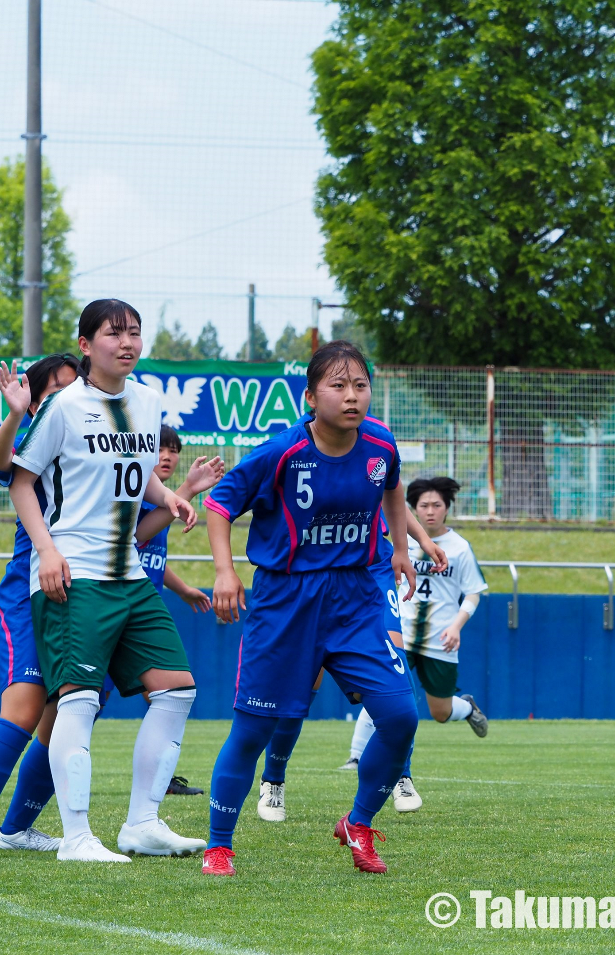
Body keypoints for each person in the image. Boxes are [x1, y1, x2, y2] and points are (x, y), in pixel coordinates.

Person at [201, 340, 418, 876]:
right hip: (285, 601)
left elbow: (393, 490)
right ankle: (219, 845)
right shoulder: (282, 452)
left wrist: (400, 548)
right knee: (253, 731)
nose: (352, 396)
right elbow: (219, 502)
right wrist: (226, 571)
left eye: (360, 385)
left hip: (356, 600)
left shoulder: (381, 443)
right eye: (338, 386)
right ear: (310, 396)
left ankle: (358, 823)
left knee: (400, 717)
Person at [8, 299, 205, 863]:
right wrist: (45, 550)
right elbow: (21, 482)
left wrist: (169, 496)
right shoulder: (63, 407)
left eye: (135, 333)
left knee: (177, 688)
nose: (127, 342)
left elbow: (136, 474)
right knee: (79, 699)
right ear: (87, 343)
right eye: (113, 333)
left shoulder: (148, 401)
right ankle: (75, 839)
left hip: (129, 575)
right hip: (75, 574)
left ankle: (142, 824)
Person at [0, 353, 80, 860]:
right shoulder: (35, 440)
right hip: (31, 595)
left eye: (75, 390)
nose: (67, 401)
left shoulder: (99, 447)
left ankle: (17, 828)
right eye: (55, 392)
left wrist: (175, 496)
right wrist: (15, 414)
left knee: (66, 716)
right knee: (25, 707)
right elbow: (0, 463)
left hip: (88, 595)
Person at [256, 501, 447, 823]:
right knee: (304, 682)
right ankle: (273, 778)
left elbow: (391, 496)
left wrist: (422, 541)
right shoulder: (301, 458)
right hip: (320, 565)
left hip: (375, 567)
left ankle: (402, 774)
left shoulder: (373, 454)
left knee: (393, 663)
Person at [343, 476, 488, 814]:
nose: (431, 511)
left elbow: (474, 592)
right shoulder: (397, 539)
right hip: (401, 633)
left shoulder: (459, 548)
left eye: (437, 505)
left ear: (448, 508)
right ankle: (361, 757)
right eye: (423, 505)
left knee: (440, 712)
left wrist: (456, 626)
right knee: (390, 697)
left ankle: (466, 707)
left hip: (440, 639)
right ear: (413, 509)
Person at [133, 425, 226, 797]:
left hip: (144, 608)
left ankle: (161, 779)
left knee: (171, 691)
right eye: (160, 448)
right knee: (80, 703)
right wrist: (186, 492)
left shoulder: (163, 495)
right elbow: (135, 538)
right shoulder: (135, 490)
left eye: (174, 449)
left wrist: (183, 588)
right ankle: (56, 770)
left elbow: (148, 555)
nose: (168, 456)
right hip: (117, 606)